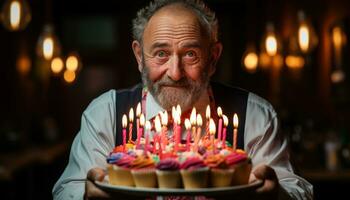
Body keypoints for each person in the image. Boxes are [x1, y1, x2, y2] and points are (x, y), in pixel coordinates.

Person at [53, 0, 313, 199]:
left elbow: (298, 190)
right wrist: (86, 193)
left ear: (213, 57)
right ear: (139, 56)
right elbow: (67, 190)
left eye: (190, 54)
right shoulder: (105, 113)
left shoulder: (255, 115)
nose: (175, 73)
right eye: (161, 54)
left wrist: (276, 193)